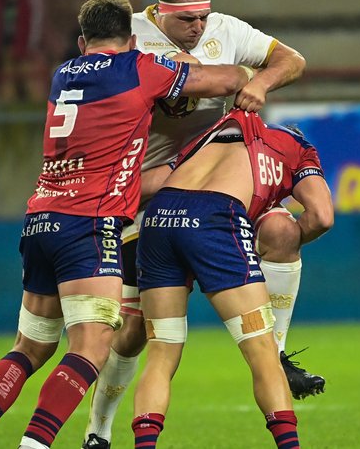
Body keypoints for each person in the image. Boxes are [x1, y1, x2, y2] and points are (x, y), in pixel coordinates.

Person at [0, 0, 252, 449]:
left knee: (29, 347)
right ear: (131, 40)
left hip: (41, 218)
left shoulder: (62, 74)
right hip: (88, 226)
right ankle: (34, 444)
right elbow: (224, 79)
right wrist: (247, 74)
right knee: (91, 347)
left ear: (81, 41)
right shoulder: (138, 68)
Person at [84, 0, 319, 448]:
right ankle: (98, 429)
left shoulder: (226, 30)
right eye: (187, 19)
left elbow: (292, 59)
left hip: (219, 190)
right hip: (149, 192)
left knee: (281, 232)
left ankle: (276, 352)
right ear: (159, 13)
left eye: (203, 17)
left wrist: (262, 82)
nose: (198, 27)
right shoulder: (131, 36)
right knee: (133, 332)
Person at [130, 108, 333, 448]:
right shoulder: (298, 147)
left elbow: (149, 183)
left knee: (161, 354)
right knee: (264, 353)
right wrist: (274, 241)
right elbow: (322, 217)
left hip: (158, 217)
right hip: (215, 217)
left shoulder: (213, 131)